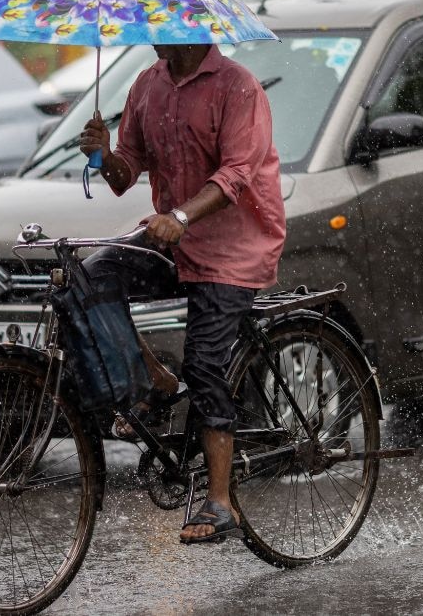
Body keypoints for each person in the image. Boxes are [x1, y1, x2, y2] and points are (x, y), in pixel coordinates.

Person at [78, 42, 285, 544]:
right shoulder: (148, 84)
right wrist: (103, 155)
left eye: (164, 24)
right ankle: (156, 381)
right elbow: (125, 174)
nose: (154, 32)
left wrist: (182, 215)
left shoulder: (237, 87)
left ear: (193, 27)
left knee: (204, 363)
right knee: (92, 276)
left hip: (234, 248)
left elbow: (236, 175)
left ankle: (220, 502)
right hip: (174, 239)